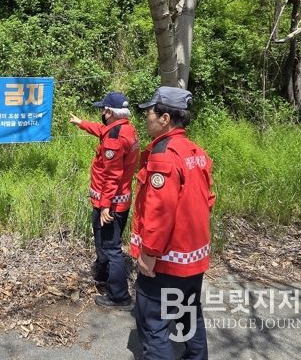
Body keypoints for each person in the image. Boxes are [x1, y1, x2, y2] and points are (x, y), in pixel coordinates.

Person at [130, 87, 215, 360]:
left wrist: (149, 253)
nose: (146, 119)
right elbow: (208, 200)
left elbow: (159, 211)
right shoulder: (195, 151)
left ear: (165, 118)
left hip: (166, 261)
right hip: (194, 257)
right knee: (189, 313)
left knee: (154, 324)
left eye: (150, 113)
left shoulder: (164, 154)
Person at [70, 92, 140, 309]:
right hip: (120, 200)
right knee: (105, 243)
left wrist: (105, 207)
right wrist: (81, 123)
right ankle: (104, 276)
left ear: (109, 111)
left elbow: (112, 176)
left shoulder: (114, 140)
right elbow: (101, 130)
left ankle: (119, 296)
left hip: (110, 204)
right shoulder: (126, 129)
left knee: (111, 248)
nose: (101, 112)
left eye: (103, 108)